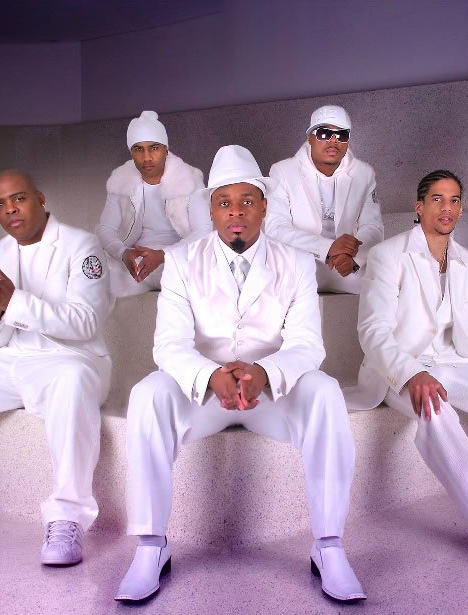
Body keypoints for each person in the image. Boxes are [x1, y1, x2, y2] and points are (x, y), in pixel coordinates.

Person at [115, 145, 365, 603]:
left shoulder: (296, 262)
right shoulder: (182, 262)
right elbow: (168, 345)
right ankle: (151, 545)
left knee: (326, 390)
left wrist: (264, 372)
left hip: (271, 394)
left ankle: (328, 545)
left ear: (264, 207)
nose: (236, 212)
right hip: (205, 395)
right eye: (224, 202)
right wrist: (211, 376)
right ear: (211, 210)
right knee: (148, 393)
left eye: (247, 201)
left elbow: (308, 345)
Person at [344, 169, 468, 547]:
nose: (447, 208)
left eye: (454, 200)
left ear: (461, 209)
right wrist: (411, 373)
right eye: (437, 199)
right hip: (398, 369)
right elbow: (373, 331)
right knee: (435, 407)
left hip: (454, 362)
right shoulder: (387, 255)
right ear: (419, 207)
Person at [0, 170, 111, 566]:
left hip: (67, 360)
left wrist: (14, 302)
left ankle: (66, 518)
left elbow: (85, 322)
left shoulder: (82, 246)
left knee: (73, 380)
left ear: (40, 198)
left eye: (18, 198)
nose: (10, 210)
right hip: (9, 359)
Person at [266, 105, 383, 293]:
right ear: (310, 138)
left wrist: (354, 259)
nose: (333, 141)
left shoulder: (363, 173)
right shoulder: (283, 171)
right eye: (324, 134)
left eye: (341, 135)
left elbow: (373, 227)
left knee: (390, 283)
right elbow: (276, 229)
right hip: (299, 263)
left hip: (346, 265)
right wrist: (328, 248)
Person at [96, 110, 211, 297]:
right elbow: (105, 229)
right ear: (131, 153)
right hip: (135, 264)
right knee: (92, 279)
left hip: (180, 262)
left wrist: (162, 255)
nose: (147, 157)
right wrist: (123, 253)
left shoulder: (189, 179)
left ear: (166, 149)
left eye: (154, 148)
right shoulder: (121, 181)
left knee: (205, 282)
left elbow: (203, 231)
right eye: (138, 149)